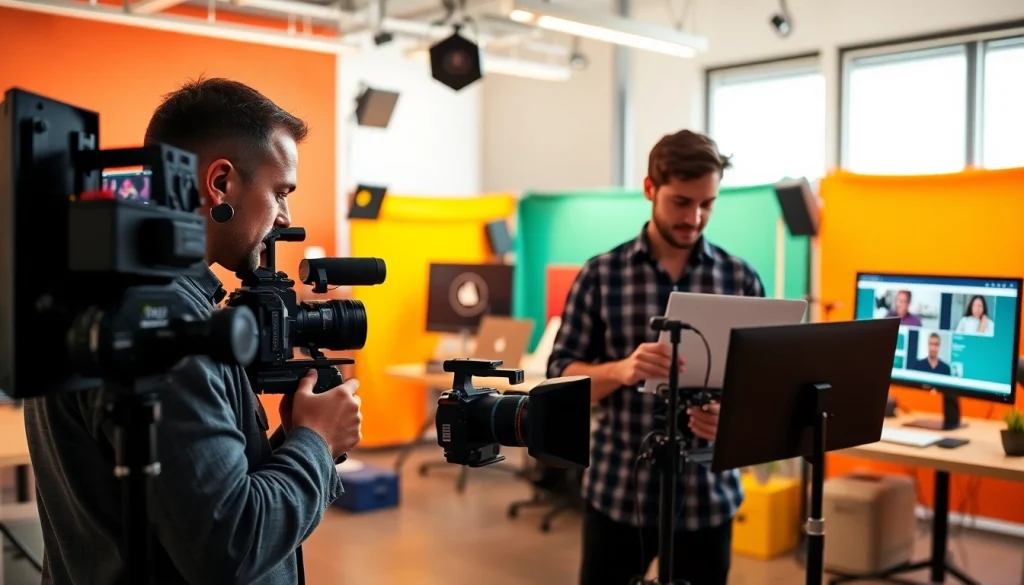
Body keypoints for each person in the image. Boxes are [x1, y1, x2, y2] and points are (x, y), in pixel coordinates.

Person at [23, 78, 362, 585]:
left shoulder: (94, 297)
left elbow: (183, 504)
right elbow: (229, 546)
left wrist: (292, 441)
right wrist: (316, 441)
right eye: (280, 191)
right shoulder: (168, 325)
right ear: (220, 182)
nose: (285, 215)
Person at [548, 130, 765, 585]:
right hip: (619, 492)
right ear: (650, 189)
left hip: (709, 497)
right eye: (681, 202)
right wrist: (620, 370)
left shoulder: (740, 277)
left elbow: (763, 391)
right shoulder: (602, 275)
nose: (695, 217)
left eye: (707, 204)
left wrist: (733, 418)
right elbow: (559, 380)